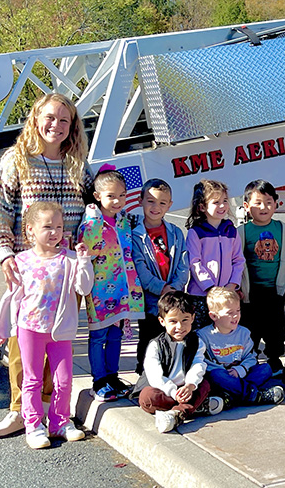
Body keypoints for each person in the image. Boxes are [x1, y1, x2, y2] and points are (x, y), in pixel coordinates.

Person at [0, 93, 92, 439]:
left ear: (73, 127)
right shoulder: (16, 161)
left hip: (65, 273)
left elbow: (96, 207)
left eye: (65, 121)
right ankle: (19, 411)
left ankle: (52, 413)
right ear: (36, 119)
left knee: (58, 346)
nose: (56, 126)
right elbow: (0, 210)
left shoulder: (78, 164)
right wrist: (4, 253)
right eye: (50, 118)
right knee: (24, 349)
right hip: (28, 271)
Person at [0, 202, 93, 449]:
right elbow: (11, 298)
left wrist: (84, 261)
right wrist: (2, 329)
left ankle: (59, 422)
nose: (54, 232)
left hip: (60, 331)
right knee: (32, 379)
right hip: (30, 329)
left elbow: (84, 287)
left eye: (58, 226)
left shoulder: (69, 259)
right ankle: (34, 425)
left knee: (64, 380)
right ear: (30, 230)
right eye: (47, 226)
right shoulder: (21, 260)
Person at [78, 167, 144, 402]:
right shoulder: (92, 222)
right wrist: (96, 221)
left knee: (115, 335)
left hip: (122, 290)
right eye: (111, 196)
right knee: (98, 336)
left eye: (122, 195)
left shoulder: (124, 221)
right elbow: (89, 248)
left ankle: (113, 376)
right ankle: (99, 380)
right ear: (97, 196)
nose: (117, 201)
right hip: (99, 290)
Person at [131, 291, 222, 433]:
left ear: (192, 318)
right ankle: (196, 406)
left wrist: (190, 386)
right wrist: (174, 392)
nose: (179, 327)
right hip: (164, 390)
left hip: (187, 388)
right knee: (147, 398)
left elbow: (198, 365)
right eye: (173, 321)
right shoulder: (156, 345)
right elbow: (155, 376)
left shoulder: (197, 342)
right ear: (162, 321)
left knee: (204, 384)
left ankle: (175, 415)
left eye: (185, 320)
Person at [238, 179, 285, 375]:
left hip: (275, 290)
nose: (264, 207)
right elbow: (236, 261)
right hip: (250, 292)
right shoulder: (241, 233)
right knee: (249, 329)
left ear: (276, 203)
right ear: (246, 206)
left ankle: (274, 361)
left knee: (276, 329)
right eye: (258, 203)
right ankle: (250, 360)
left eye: (269, 202)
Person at [131, 178, 189, 375]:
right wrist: (160, 288)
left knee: (172, 337)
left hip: (172, 297)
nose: (156, 207)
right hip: (150, 299)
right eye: (151, 201)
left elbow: (183, 263)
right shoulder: (135, 235)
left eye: (162, 203)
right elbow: (139, 266)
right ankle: (144, 376)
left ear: (170, 205)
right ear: (141, 201)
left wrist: (175, 287)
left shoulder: (175, 232)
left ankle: (169, 373)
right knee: (148, 338)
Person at [196, 287, 285, 406]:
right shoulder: (203, 335)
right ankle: (254, 395)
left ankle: (232, 397)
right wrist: (227, 373)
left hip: (241, 374)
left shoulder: (244, 333)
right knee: (216, 376)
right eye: (230, 313)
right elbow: (203, 361)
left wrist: (240, 370)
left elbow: (251, 357)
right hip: (222, 376)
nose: (235, 316)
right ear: (213, 316)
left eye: (238, 311)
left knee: (266, 369)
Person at [186, 179, 245, 330]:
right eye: (216, 202)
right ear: (202, 206)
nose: (222, 206)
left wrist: (232, 285)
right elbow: (194, 263)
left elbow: (238, 260)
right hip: (201, 296)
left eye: (225, 201)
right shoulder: (196, 232)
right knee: (201, 334)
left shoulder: (231, 231)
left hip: (227, 293)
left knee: (223, 333)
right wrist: (210, 288)